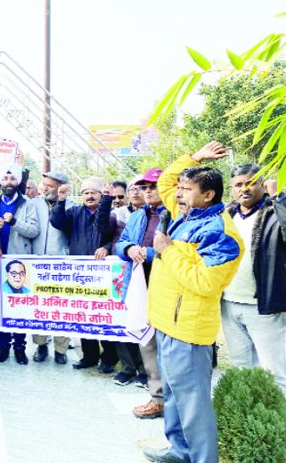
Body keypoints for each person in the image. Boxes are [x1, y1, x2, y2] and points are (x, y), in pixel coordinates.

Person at [142, 141, 243, 463]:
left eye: (187, 188)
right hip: (167, 322)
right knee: (173, 394)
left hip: (188, 329)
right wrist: (195, 158)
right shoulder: (186, 213)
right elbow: (165, 181)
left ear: (208, 195)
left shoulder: (220, 231)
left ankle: (201, 458)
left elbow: (205, 282)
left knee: (193, 403)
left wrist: (167, 250)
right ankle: (179, 451)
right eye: (181, 188)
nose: (178, 192)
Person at [223, 164, 286, 393]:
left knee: (274, 371)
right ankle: (253, 419)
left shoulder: (273, 211)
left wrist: (279, 197)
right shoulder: (227, 215)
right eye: (238, 185)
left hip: (263, 305)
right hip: (229, 303)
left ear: (262, 184)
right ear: (231, 189)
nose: (244, 189)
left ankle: (279, 424)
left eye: (250, 182)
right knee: (242, 368)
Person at [51, 176, 118, 373]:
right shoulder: (75, 212)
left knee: (103, 316)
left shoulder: (110, 214)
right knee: (85, 316)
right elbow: (57, 222)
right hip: (80, 275)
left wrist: (106, 247)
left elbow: (105, 229)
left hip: (103, 274)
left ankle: (109, 358)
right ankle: (89, 357)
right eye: (85, 193)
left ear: (100, 194)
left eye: (93, 192)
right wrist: (61, 200)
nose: (89, 196)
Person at [114, 169, 165, 420]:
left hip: (167, 286)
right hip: (140, 285)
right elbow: (120, 243)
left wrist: (149, 253)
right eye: (143, 187)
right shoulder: (137, 215)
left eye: (153, 186)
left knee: (168, 346)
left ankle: (174, 400)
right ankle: (157, 398)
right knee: (147, 343)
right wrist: (130, 248)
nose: (147, 191)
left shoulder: (176, 214)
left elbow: (178, 248)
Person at [0, 165, 40, 365]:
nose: (8, 182)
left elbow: (34, 230)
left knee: (19, 305)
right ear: (1, 182)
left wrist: (14, 222)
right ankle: (2, 345)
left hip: (19, 260)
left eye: (12, 179)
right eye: (5, 179)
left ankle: (20, 347)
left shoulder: (27, 204)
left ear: (18, 182)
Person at [30, 171, 72, 365]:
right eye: (44, 184)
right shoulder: (33, 204)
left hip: (62, 266)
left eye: (50, 185)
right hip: (37, 264)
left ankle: (61, 349)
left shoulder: (71, 206)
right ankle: (40, 345)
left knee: (61, 308)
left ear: (61, 188)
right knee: (39, 307)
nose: (45, 188)